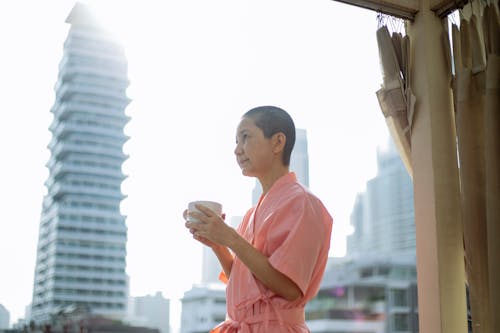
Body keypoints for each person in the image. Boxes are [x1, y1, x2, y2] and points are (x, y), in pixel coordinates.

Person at [184, 105, 333, 332]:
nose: (237, 150)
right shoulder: (252, 213)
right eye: (236, 141)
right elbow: (244, 280)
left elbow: (290, 288)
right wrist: (218, 245)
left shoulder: (303, 203)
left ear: (277, 142)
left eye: (245, 137)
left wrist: (231, 238)